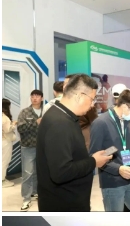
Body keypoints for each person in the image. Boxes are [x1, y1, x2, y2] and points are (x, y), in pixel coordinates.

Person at [35, 74, 113, 212]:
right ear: (79, 96)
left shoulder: (65, 116)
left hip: (70, 199)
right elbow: (61, 172)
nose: (93, 104)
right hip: (63, 205)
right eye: (92, 99)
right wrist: (93, 162)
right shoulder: (60, 123)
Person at [88, 88, 130, 211]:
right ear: (125, 106)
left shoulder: (126, 122)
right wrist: (118, 169)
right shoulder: (101, 123)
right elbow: (95, 156)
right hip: (112, 182)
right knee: (115, 219)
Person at [16, 89, 44, 210]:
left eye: (37, 96)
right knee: (27, 173)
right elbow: (20, 128)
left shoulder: (46, 111)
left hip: (43, 147)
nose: (34, 98)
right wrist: (35, 122)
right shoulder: (25, 112)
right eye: (32, 96)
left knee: (39, 172)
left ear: (42, 98)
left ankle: (35, 192)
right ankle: (26, 199)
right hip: (28, 147)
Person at [2, 98, 17, 188]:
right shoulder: (4, 117)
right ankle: (2, 180)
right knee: (5, 160)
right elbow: (7, 130)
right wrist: (13, 124)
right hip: (5, 141)